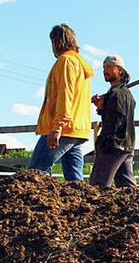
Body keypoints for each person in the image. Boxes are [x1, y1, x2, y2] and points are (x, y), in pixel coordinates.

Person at [28, 24, 94, 181]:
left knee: (35, 173)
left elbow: (66, 96)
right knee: (75, 182)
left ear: (57, 42)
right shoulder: (80, 64)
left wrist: (57, 128)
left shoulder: (66, 62)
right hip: (78, 130)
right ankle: (81, 205)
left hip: (63, 129)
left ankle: (34, 206)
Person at [89, 55, 137, 188]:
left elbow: (115, 121)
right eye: (104, 67)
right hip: (127, 145)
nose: (105, 70)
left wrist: (102, 143)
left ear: (120, 71)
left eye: (109, 67)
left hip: (114, 145)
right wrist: (102, 107)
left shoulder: (116, 94)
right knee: (127, 189)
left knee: (97, 186)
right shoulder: (126, 94)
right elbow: (118, 115)